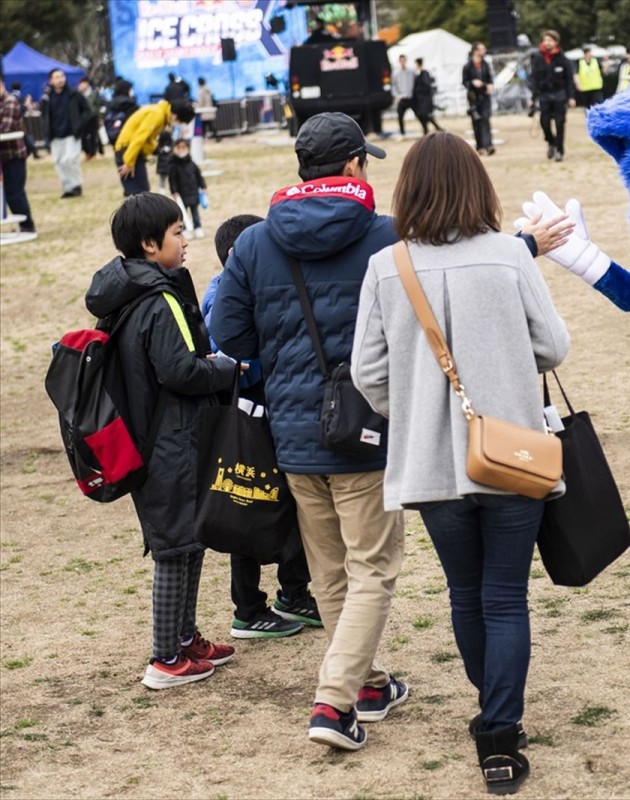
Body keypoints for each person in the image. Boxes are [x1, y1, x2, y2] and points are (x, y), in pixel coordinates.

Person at [351, 131, 570, 796]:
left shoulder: (387, 266)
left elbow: (368, 372)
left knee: (466, 594)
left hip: (430, 462)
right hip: (511, 455)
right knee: (505, 597)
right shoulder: (508, 256)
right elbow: (553, 346)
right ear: (480, 186)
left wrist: (416, 406)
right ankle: (500, 730)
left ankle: (494, 708)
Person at [208, 113, 408, 751]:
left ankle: (370, 683)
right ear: (353, 166)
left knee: (330, 571)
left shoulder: (255, 242)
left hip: (294, 432)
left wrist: (282, 356)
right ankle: (334, 701)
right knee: (373, 566)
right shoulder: (386, 235)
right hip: (366, 427)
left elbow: (230, 335)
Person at [84, 192, 239, 689]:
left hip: (160, 437)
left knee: (190, 539)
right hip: (168, 441)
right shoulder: (160, 298)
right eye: (176, 232)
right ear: (149, 244)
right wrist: (224, 369)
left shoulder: (134, 292)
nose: (185, 239)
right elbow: (180, 371)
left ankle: (186, 638)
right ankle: (165, 658)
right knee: (175, 546)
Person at [201, 213, 322, 641]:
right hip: (248, 418)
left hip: (272, 412)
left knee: (288, 504)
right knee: (247, 508)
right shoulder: (224, 297)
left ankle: (293, 594)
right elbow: (234, 359)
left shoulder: (244, 288)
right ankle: (248, 609)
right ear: (239, 256)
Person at [114, 98, 195, 196]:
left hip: (132, 152)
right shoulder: (157, 114)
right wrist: (128, 162)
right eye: (180, 122)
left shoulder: (159, 113)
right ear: (175, 116)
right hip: (128, 151)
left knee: (141, 192)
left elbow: (147, 140)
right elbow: (139, 138)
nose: (178, 124)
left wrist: (155, 150)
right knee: (138, 194)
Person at [41, 68, 92, 198]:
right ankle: (68, 188)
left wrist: (79, 125)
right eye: (56, 77)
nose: (60, 79)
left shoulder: (74, 94)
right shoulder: (47, 97)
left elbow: (87, 111)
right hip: (55, 135)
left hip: (71, 134)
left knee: (70, 160)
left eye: (62, 76)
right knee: (59, 162)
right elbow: (45, 116)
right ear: (51, 80)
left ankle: (76, 186)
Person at [530, 30, 575, 162]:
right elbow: (534, 78)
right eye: (545, 40)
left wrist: (571, 97)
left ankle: (560, 150)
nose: (547, 43)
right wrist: (533, 97)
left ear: (556, 42)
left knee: (560, 123)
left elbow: (569, 80)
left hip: (560, 94)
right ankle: (551, 142)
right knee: (544, 122)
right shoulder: (537, 58)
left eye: (550, 40)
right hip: (544, 95)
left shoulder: (563, 59)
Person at [0, 74, 37, 234]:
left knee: (15, 192)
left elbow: (5, 127)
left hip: (14, 155)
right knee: (8, 193)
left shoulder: (10, 101)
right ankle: (22, 224)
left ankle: (27, 225)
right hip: (4, 156)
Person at [168, 138, 207, 238]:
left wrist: (203, 186)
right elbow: (172, 180)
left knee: (195, 212)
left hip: (193, 192)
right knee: (182, 214)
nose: (181, 150)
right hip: (182, 194)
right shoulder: (173, 165)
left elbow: (198, 175)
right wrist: (174, 192)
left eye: (183, 147)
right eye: (179, 147)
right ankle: (184, 230)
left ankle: (198, 227)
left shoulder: (192, 163)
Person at [462, 42, 495, 156]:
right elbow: (464, 82)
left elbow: (490, 78)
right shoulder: (467, 66)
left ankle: (489, 145)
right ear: (476, 51)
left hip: (485, 96)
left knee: (486, 120)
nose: (484, 50)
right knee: (477, 121)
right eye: (482, 48)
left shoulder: (485, 64)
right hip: (473, 98)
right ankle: (480, 146)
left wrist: (490, 85)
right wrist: (472, 83)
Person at [412, 58, 442, 135]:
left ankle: (432, 129)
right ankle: (434, 128)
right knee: (424, 116)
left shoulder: (424, 73)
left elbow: (426, 86)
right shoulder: (420, 74)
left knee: (424, 115)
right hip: (421, 100)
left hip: (424, 100)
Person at [77, 77, 104, 158]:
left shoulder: (94, 94)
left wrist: (100, 118)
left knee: (93, 136)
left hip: (93, 117)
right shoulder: (79, 95)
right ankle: (87, 152)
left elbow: (98, 106)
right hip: (83, 118)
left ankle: (93, 154)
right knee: (83, 136)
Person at [392, 54, 416, 137]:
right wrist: (396, 95)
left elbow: (416, 83)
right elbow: (393, 85)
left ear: (406, 61)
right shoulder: (396, 73)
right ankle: (402, 133)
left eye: (404, 60)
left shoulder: (411, 71)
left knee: (419, 113)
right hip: (402, 98)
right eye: (401, 60)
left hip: (411, 97)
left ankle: (425, 129)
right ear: (399, 61)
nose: (402, 62)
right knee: (400, 116)